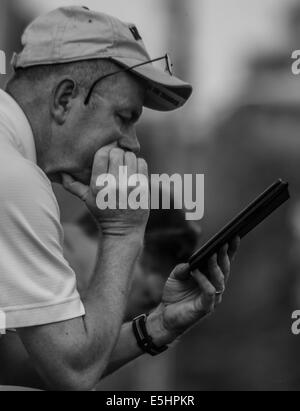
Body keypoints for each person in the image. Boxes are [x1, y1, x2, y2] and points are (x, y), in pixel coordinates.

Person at [0, 6, 239, 391]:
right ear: (64, 99)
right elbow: (71, 372)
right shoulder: (16, 179)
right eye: (125, 116)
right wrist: (123, 232)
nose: (132, 142)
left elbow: (53, 361)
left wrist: (157, 326)